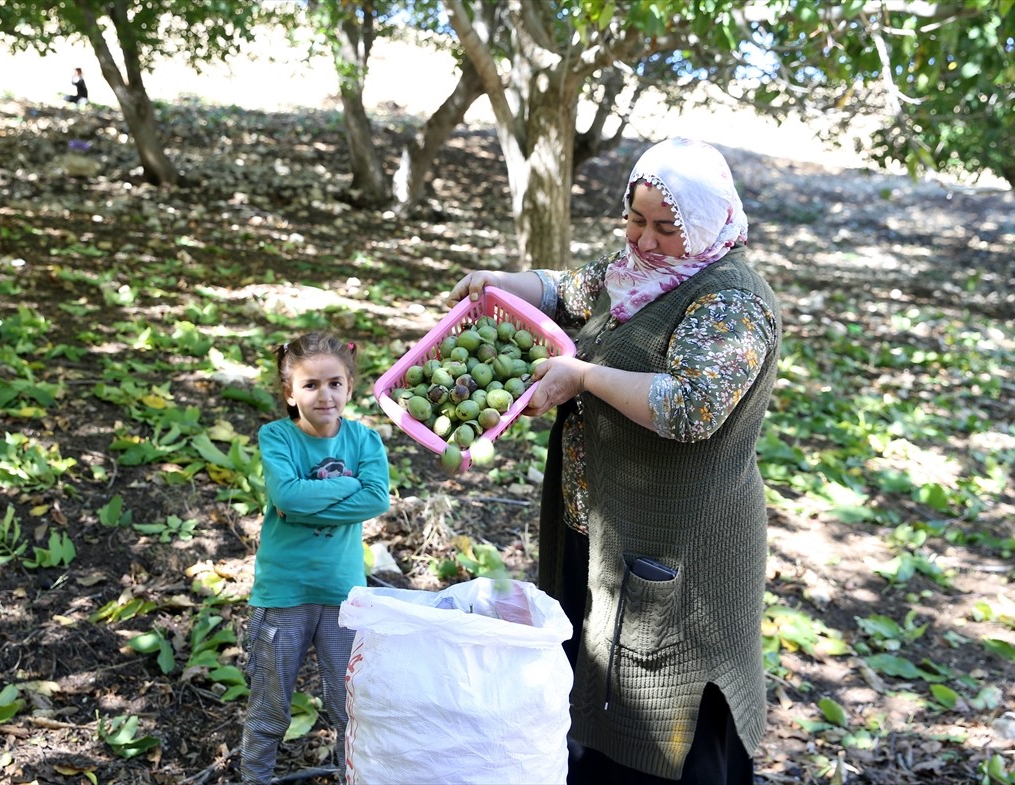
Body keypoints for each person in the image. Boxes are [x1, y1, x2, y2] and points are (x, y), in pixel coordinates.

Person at [447, 137, 782, 785]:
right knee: (595, 691)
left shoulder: (732, 301)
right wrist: (497, 285)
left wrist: (584, 376)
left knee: (669, 722)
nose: (644, 239)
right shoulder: (635, 271)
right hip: (600, 530)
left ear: (710, 225)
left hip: (683, 552)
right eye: (634, 217)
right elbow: (569, 290)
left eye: (665, 227)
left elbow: (692, 407)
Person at [240, 332, 391, 785]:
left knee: (350, 708)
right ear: (290, 392)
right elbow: (284, 494)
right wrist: (349, 486)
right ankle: (256, 778)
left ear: (349, 387)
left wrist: (306, 502)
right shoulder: (277, 436)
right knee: (269, 707)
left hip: (343, 596)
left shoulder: (364, 441)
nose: (323, 395)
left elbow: (376, 500)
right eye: (309, 385)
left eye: (334, 383)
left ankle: (354, 778)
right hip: (282, 593)